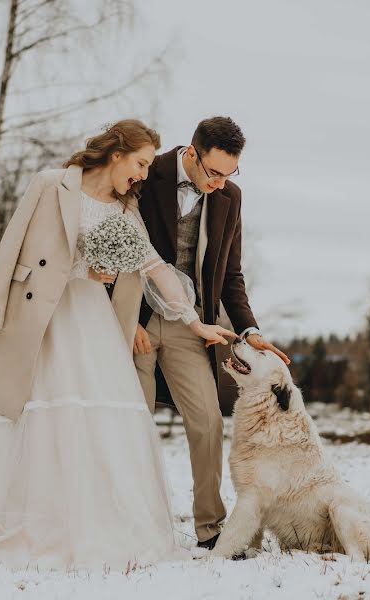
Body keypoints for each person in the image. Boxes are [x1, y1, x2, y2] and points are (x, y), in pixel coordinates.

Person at [0, 119, 236, 568]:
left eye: (149, 167)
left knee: (94, 424)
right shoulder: (50, 185)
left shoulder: (127, 210)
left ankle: (82, 525)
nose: (144, 174)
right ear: (117, 154)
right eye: (142, 163)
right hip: (40, 319)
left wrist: (194, 321)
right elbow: (12, 252)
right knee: (23, 416)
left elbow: (155, 266)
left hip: (92, 323)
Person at [132, 116, 288, 549]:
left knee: (206, 422)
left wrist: (249, 330)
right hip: (135, 321)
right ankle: (137, 522)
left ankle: (210, 528)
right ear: (191, 154)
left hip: (192, 323)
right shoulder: (147, 174)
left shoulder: (230, 198)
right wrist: (123, 321)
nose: (220, 183)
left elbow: (231, 274)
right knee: (134, 422)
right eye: (213, 172)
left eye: (229, 173)